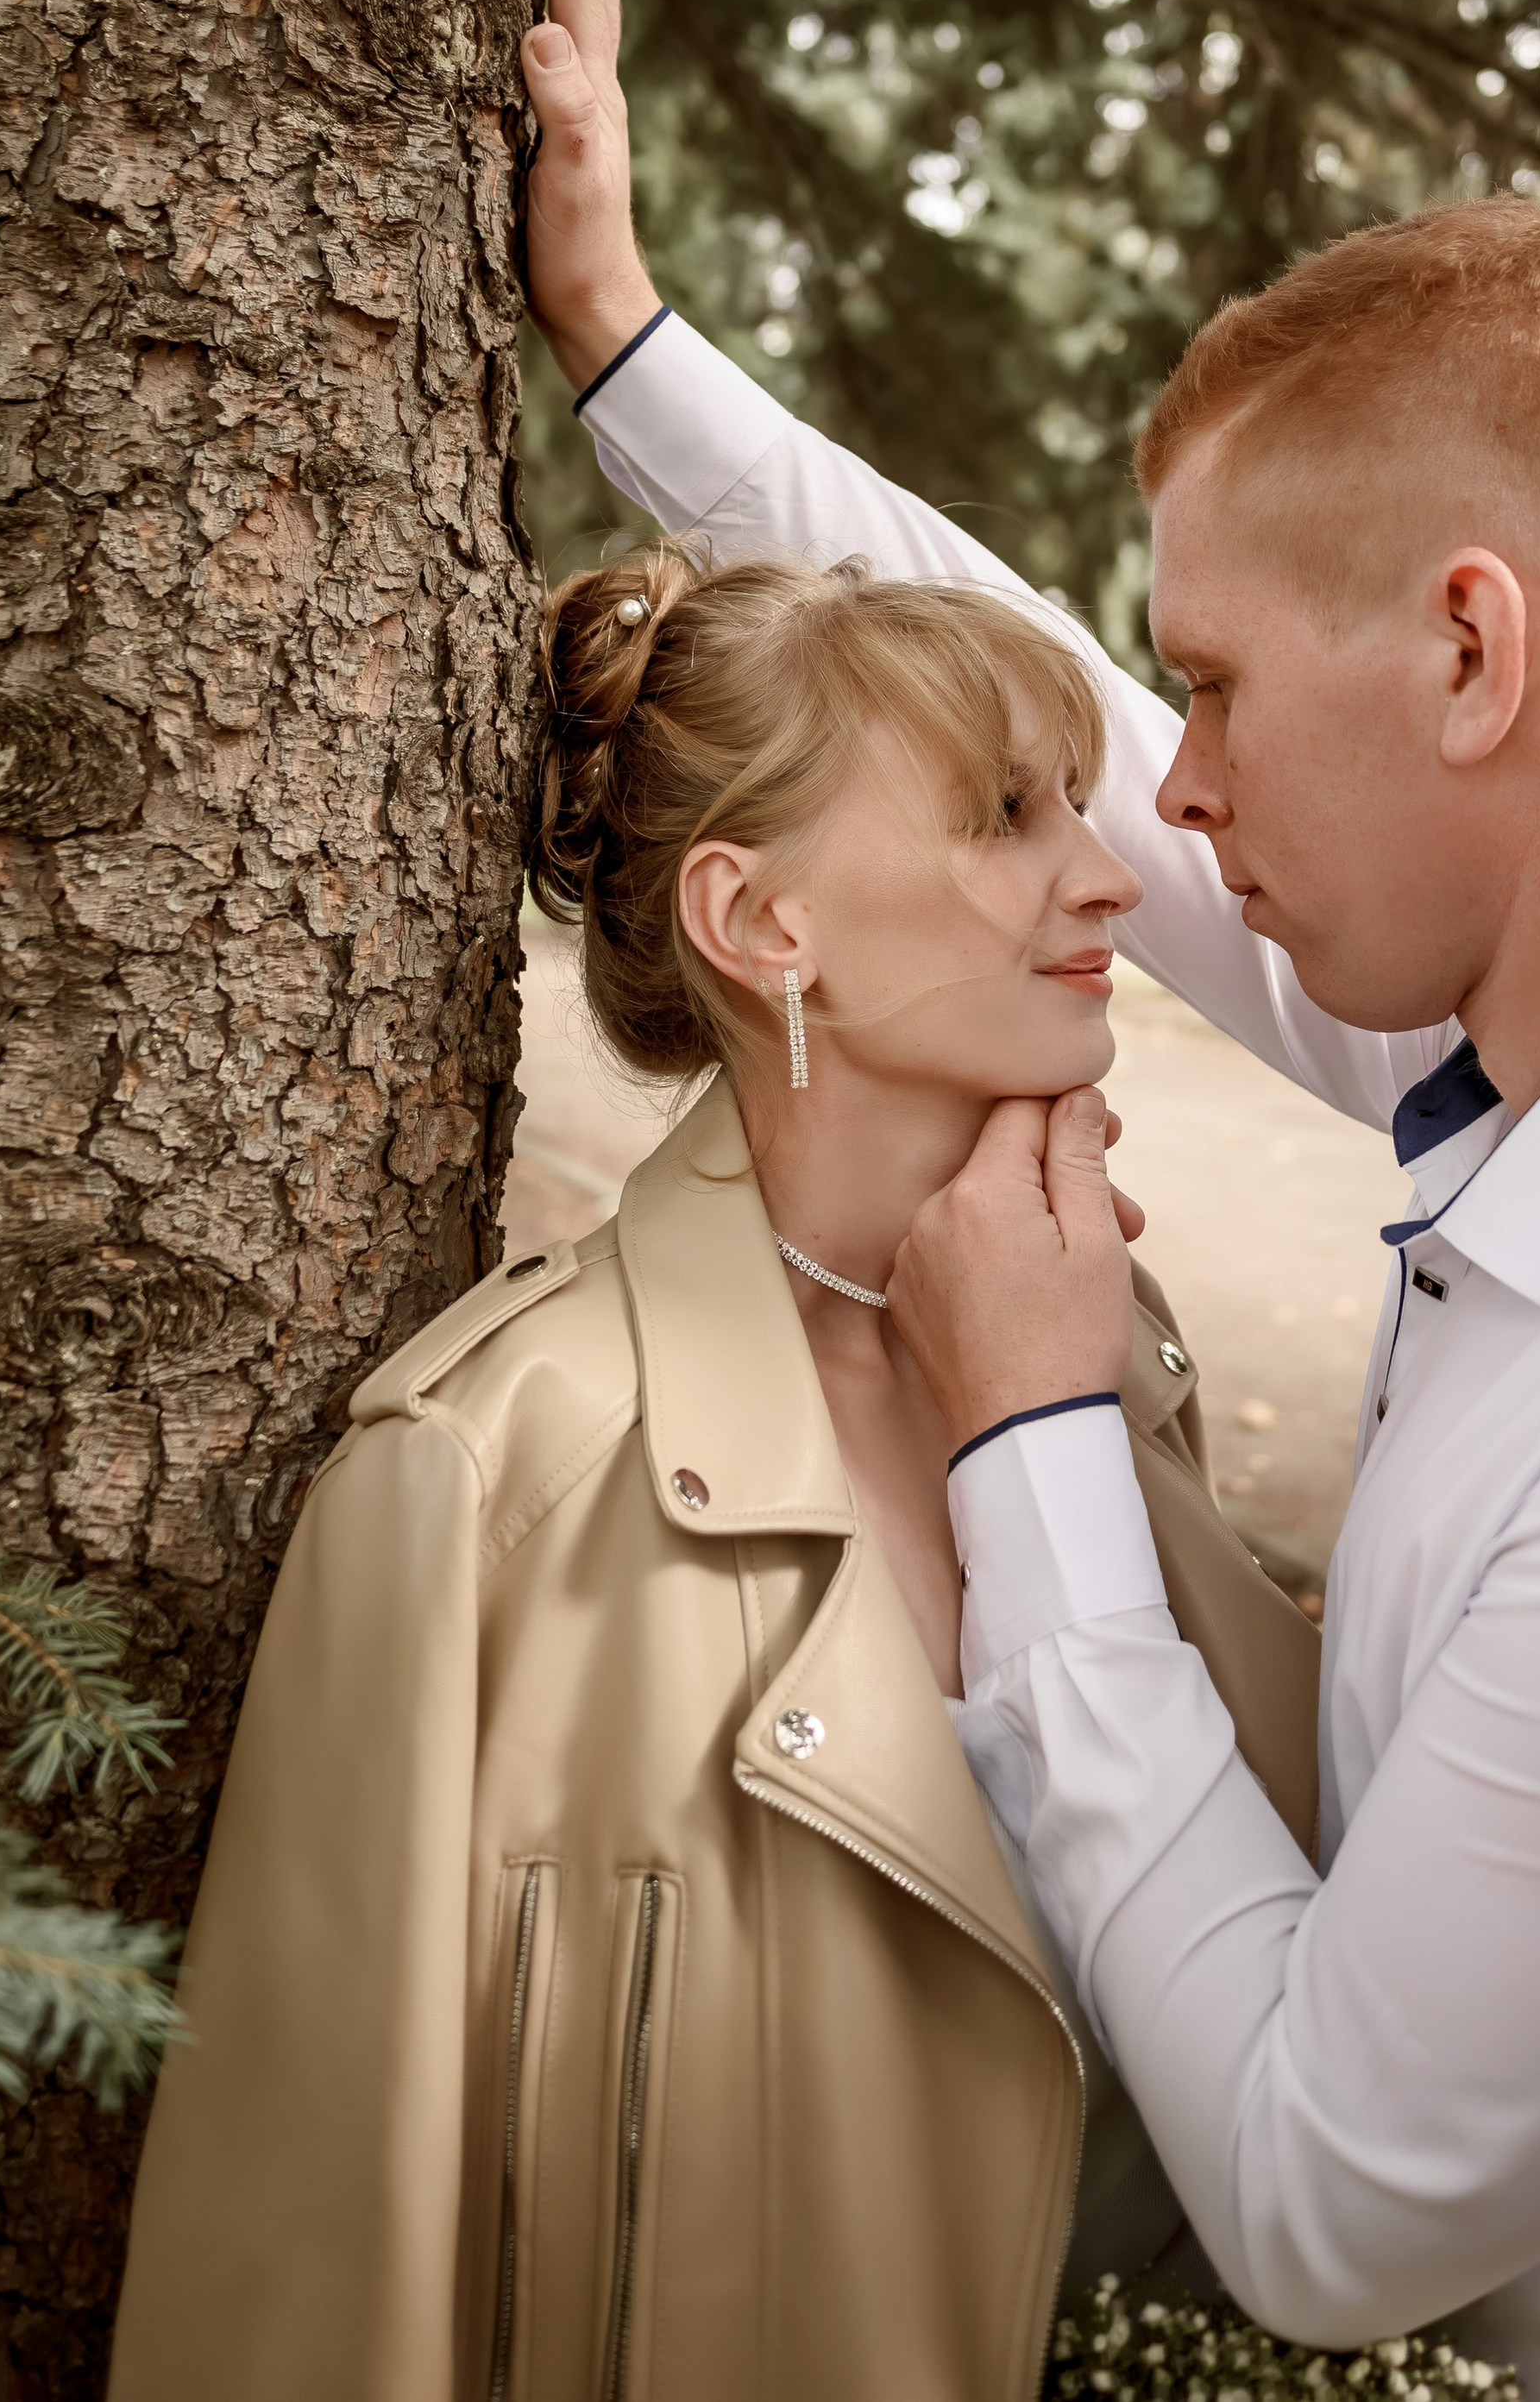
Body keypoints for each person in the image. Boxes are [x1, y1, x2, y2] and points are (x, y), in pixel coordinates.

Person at [516, 0, 1540, 2400]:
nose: (1163, 793)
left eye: (1216, 689)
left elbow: (1328, 2200)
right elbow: (1042, 697)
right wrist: (625, 339)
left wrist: (1041, 1441)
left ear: (1464, 653)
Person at [106, 542, 1323, 2402]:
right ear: (762, 924)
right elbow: (295, 2297)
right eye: (1007, 815)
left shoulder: (1109, 1367)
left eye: (1075, 803)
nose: (1105, 873)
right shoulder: (480, 1483)